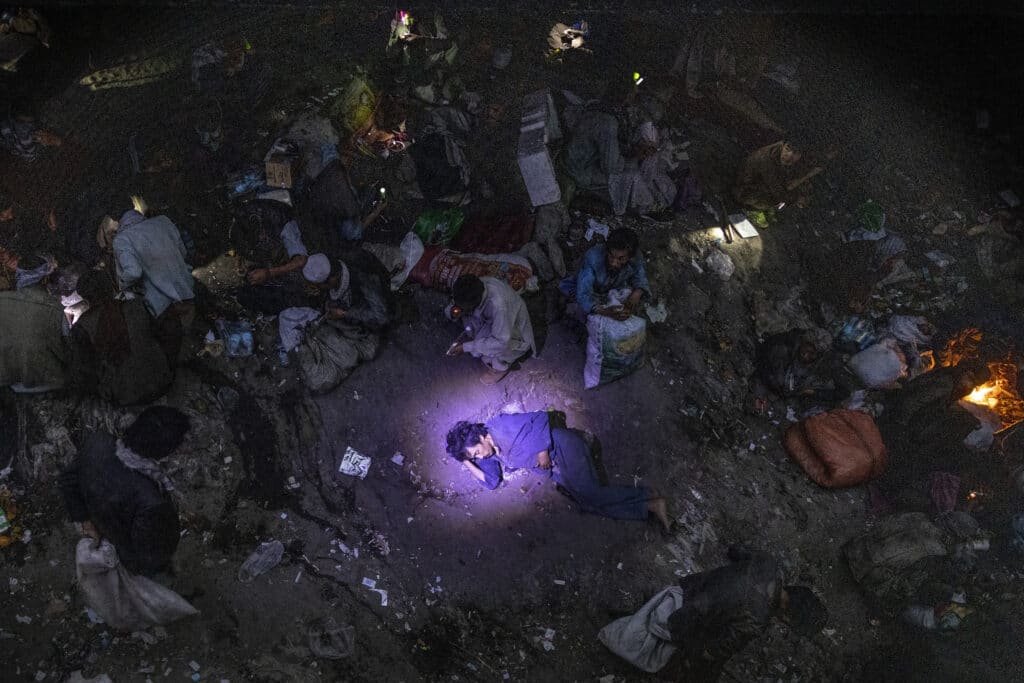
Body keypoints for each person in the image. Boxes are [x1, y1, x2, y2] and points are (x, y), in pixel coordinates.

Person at [600, 547, 826, 675]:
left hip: (687, 589)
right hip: (680, 620)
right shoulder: (755, 622)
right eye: (788, 622)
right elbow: (712, 651)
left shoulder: (767, 562)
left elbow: (735, 551)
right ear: (786, 614)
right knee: (701, 668)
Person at [446, 412, 670, 528]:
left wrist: (542, 450)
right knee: (587, 503)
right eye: (475, 456)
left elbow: (541, 416)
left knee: (592, 494)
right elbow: (491, 481)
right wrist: (465, 461)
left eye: (476, 451)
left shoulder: (500, 425)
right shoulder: (488, 453)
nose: (480, 456)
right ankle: (648, 506)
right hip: (556, 467)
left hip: (563, 445)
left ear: (481, 437)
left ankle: (646, 493)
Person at [58, 406, 190, 576]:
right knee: (151, 571)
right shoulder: (151, 502)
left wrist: (84, 520)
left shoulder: (98, 442)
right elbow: (149, 553)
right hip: (130, 552)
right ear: (164, 452)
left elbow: (67, 480)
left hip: (102, 521)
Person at [70, 270, 174, 406]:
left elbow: (85, 372)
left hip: (125, 397)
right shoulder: (138, 305)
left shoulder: (82, 327)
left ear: (85, 298)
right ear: (111, 287)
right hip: (163, 381)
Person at [277, 249, 394, 364]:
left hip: (381, 307)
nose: (316, 288)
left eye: (319, 286)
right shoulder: (332, 267)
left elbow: (382, 316)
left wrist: (344, 314)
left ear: (331, 280)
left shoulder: (361, 277)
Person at [112, 208, 195, 360]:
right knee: (186, 331)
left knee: (170, 347)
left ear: (116, 218)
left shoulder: (122, 240)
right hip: (184, 287)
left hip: (161, 304)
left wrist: (122, 284)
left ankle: (174, 369)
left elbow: (134, 272)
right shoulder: (163, 221)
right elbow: (183, 252)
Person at [448, 274, 535, 383]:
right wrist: (454, 311)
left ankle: (500, 368)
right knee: (474, 338)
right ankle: (479, 343)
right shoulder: (473, 287)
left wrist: (465, 347)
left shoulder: (498, 305)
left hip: (514, 331)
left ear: (476, 301)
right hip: (493, 321)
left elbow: (501, 342)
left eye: (464, 306)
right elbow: (457, 304)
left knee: (490, 355)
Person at [0, 256, 67, 392]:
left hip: (7, 382)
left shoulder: (2, 301)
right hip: (48, 383)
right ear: (45, 279)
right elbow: (65, 348)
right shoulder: (54, 309)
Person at [234, 199, 310, 314]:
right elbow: (243, 240)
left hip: (294, 256)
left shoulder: (285, 226)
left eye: (261, 237)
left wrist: (269, 272)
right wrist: (240, 260)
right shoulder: (246, 215)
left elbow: (301, 261)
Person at [560, 228, 650, 322]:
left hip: (611, 290)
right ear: (607, 250)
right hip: (584, 290)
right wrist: (605, 311)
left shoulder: (636, 258)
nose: (614, 263)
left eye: (621, 259)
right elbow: (583, 293)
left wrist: (635, 295)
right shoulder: (592, 257)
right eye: (611, 256)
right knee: (580, 313)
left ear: (630, 256)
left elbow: (640, 277)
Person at [732, 139, 822, 212]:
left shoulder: (780, 151)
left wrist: (804, 178)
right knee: (778, 199)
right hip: (743, 190)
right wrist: (797, 199)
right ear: (783, 145)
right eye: (788, 149)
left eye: (796, 153)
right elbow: (778, 192)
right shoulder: (766, 159)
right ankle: (752, 209)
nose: (790, 155)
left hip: (764, 182)